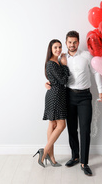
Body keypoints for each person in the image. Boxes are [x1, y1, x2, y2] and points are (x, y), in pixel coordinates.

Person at [45, 31, 102, 176]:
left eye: (75, 42)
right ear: (66, 43)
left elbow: (96, 72)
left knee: (85, 130)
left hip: (84, 96)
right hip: (68, 96)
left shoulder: (86, 56)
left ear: (78, 42)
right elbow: (54, 73)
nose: (72, 45)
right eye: (69, 42)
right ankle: (75, 157)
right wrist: (48, 83)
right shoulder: (61, 58)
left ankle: (84, 162)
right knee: (71, 129)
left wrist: (101, 90)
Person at [33, 39, 69, 168]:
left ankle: (51, 157)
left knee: (53, 124)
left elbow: (56, 80)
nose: (58, 49)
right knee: (61, 125)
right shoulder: (52, 64)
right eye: (55, 47)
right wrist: (64, 65)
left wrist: (62, 63)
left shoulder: (55, 62)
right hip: (55, 96)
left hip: (56, 94)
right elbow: (63, 80)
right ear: (51, 49)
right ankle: (45, 151)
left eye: (60, 47)